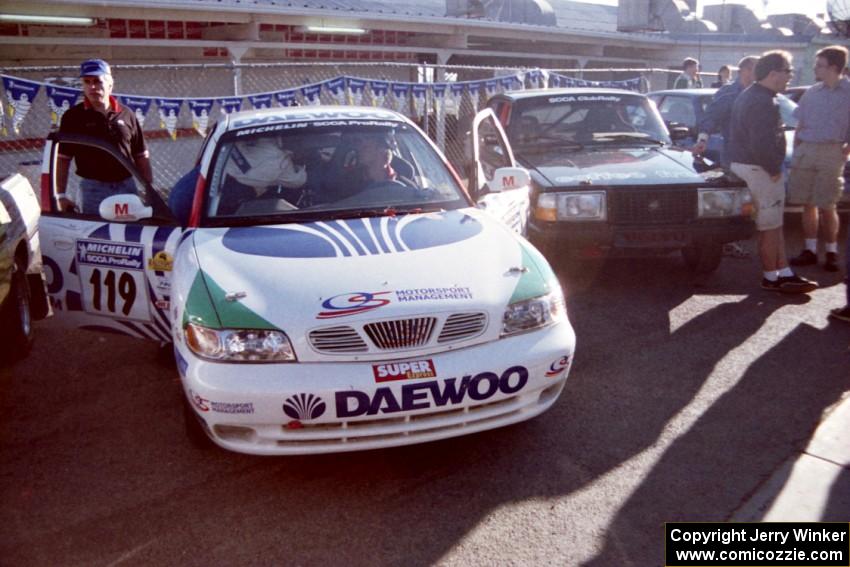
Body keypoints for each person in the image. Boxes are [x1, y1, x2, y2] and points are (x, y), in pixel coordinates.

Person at [728, 50, 817, 294]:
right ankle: (771, 277)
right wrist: (772, 168)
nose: (790, 76)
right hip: (760, 169)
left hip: (753, 166)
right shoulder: (762, 101)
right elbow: (761, 142)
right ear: (773, 73)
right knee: (769, 226)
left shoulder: (756, 96)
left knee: (775, 224)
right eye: (788, 70)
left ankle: (784, 272)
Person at [55, 59, 152, 214]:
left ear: (110, 84)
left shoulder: (127, 114)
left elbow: (141, 155)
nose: (92, 87)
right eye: (87, 82)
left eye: (98, 81)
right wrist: (60, 195)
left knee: (131, 232)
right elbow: (62, 159)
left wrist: (149, 190)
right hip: (93, 189)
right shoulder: (73, 117)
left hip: (126, 186)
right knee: (95, 233)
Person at [785, 45, 850, 273]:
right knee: (807, 203)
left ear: (834, 67)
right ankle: (810, 250)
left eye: (820, 65)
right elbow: (800, 125)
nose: (816, 68)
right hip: (806, 150)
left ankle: (831, 252)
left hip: (832, 151)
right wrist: (796, 152)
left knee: (828, 204)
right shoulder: (812, 92)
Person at [692, 56, 759, 259]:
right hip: (735, 155)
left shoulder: (760, 92)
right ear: (746, 70)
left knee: (753, 201)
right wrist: (703, 139)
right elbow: (711, 117)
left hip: (756, 156)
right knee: (734, 200)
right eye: (757, 69)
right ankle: (729, 243)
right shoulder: (729, 93)